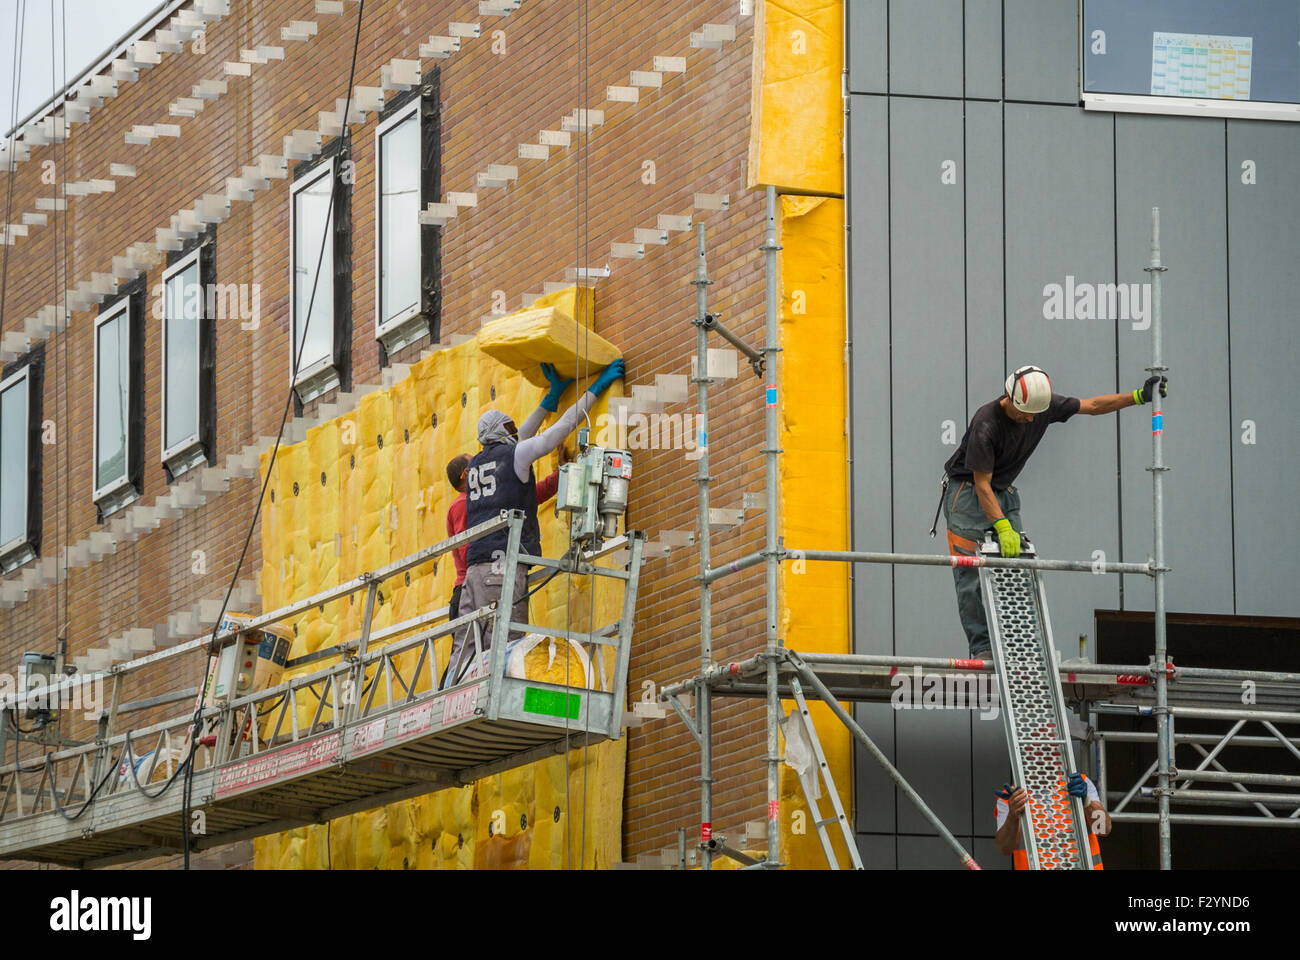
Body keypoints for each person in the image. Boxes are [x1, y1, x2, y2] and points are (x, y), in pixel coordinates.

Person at [940, 365, 1168, 659]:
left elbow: (1093, 405)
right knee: (970, 576)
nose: (1030, 419)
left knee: (1018, 569)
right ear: (1009, 399)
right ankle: (982, 648)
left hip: (1003, 491)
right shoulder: (986, 423)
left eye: (1035, 414)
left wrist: (1137, 396)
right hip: (968, 494)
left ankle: (1018, 645)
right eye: (1025, 414)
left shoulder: (1041, 405)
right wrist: (1002, 526)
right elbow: (982, 484)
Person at [444, 358, 625, 685]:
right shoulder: (514, 455)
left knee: (468, 643)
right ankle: (504, 695)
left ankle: (450, 695)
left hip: (475, 570)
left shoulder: (480, 463)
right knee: (509, 639)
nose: (516, 433)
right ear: (502, 434)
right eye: (510, 429)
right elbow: (557, 432)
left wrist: (549, 400)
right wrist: (594, 391)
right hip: (502, 567)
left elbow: (522, 435)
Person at [442, 444, 566, 685]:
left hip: (480, 581)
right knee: (481, 654)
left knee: (479, 655)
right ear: (468, 474)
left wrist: (561, 475)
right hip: (475, 585)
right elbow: (470, 549)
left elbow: (531, 496)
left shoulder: (480, 501)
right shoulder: (462, 505)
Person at [995, 772, 1110, 869]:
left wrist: (1087, 802)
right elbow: (1005, 848)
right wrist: (1012, 816)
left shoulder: (1079, 782)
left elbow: (1103, 829)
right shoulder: (1013, 797)